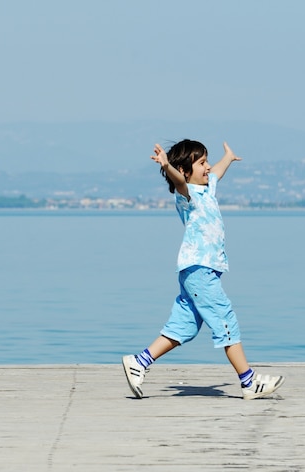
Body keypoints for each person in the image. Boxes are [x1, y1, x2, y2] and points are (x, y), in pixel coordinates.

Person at [122, 139, 285, 400]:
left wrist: (228, 158)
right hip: (199, 270)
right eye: (201, 163)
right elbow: (178, 181)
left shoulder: (208, 188)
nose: (208, 167)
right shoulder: (187, 194)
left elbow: (217, 172)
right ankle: (249, 381)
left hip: (198, 272)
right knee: (225, 319)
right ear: (185, 170)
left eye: (207, 161)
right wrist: (166, 166)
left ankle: (138, 362)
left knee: (183, 327)